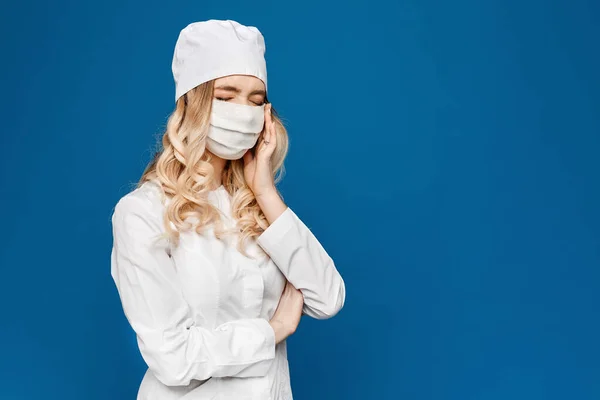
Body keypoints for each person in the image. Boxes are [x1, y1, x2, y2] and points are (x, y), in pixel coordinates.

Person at [109, 19, 346, 400]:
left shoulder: (255, 206)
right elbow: (173, 358)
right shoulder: (142, 213)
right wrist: (273, 330)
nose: (243, 111)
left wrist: (266, 191)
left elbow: (327, 297)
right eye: (226, 95)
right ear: (193, 103)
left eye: (256, 100)